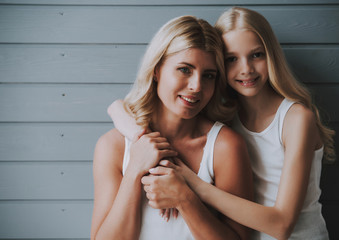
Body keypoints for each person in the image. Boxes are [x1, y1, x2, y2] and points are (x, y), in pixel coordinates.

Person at [108, 7, 335, 240]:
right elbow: (119, 107)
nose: (245, 69)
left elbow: (282, 225)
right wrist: (135, 132)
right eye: (232, 59)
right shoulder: (227, 117)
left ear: (272, 56)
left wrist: (189, 183)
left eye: (256, 55)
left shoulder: (296, 118)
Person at [91, 15, 253, 240]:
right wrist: (135, 169)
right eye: (185, 69)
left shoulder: (226, 146)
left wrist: (184, 199)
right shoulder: (113, 146)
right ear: (156, 70)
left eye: (208, 75)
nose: (196, 86)